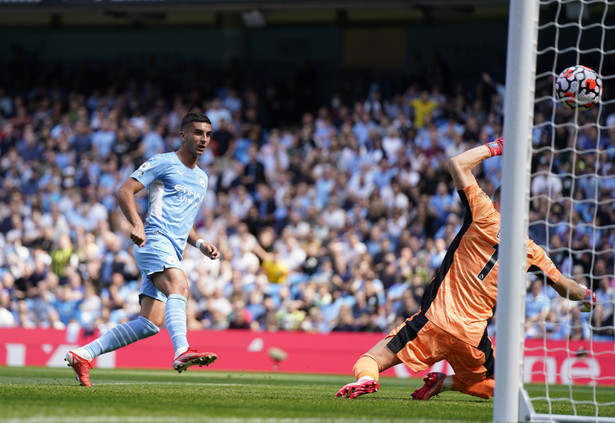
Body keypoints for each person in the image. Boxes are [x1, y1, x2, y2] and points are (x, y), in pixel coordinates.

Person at [336, 138, 597, 400]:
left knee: (370, 359)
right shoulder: (533, 253)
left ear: (495, 201)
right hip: (471, 338)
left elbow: (457, 164)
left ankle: (368, 380)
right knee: (501, 387)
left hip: (434, 322)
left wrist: (497, 147)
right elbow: (566, 288)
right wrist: (587, 295)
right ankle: (447, 383)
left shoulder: (483, 214)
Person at [65, 112, 221, 386]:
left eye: (207, 134)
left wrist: (199, 243)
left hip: (172, 248)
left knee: (150, 323)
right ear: (182, 135)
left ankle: (83, 354)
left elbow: (185, 221)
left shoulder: (202, 179)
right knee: (179, 287)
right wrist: (137, 224)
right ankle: (182, 351)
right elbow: (124, 190)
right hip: (153, 240)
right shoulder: (164, 162)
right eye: (197, 133)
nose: (203, 139)